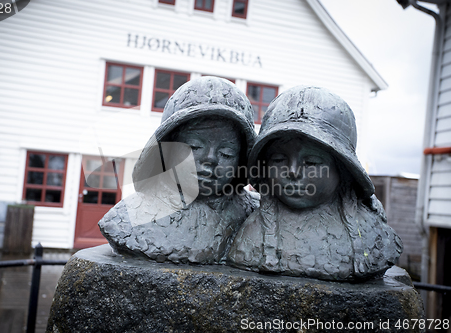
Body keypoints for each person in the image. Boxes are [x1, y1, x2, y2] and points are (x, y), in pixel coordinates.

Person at [227, 86, 402, 281]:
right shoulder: (252, 234)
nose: (292, 171)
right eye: (279, 159)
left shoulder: (373, 237)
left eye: (311, 162)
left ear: (342, 169)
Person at [99, 76, 259, 264]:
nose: (210, 159)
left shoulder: (258, 216)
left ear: (241, 160)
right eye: (193, 147)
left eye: (226, 153)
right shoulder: (125, 219)